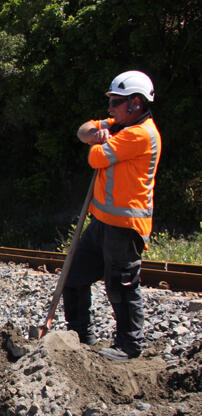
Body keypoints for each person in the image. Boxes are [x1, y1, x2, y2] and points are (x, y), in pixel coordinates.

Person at [63, 70, 162, 361]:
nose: (110, 109)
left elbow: (94, 157)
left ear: (135, 103)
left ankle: (129, 345)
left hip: (126, 225)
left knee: (121, 286)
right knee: (74, 276)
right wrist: (96, 133)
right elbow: (83, 130)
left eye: (116, 102)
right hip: (103, 223)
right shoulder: (120, 124)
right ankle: (80, 335)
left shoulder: (141, 134)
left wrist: (97, 140)